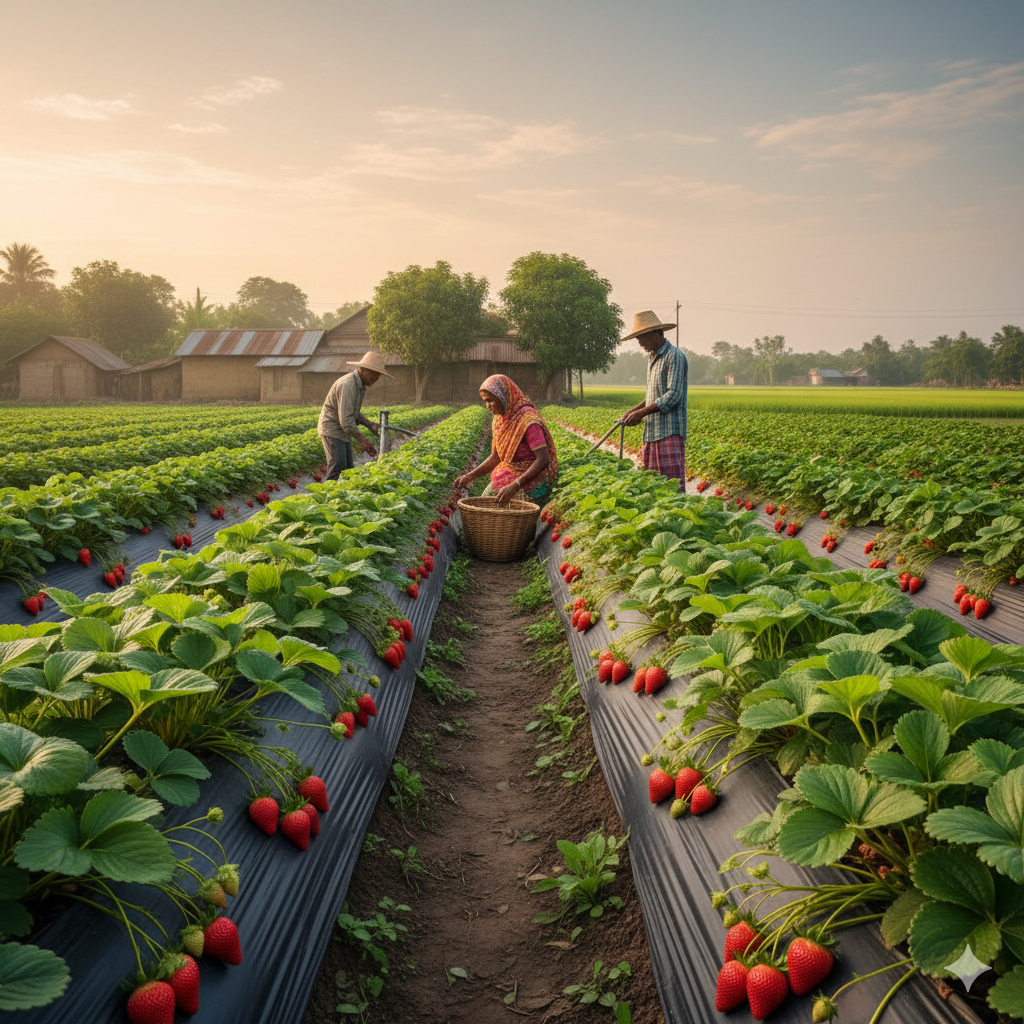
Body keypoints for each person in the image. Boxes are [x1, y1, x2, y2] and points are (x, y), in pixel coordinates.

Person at [454, 374, 558, 503]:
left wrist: (515, 486)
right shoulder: (499, 420)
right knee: (487, 501)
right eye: (485, 401)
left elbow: (543, 460)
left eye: (491, 400)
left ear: (504, 397)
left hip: (533, 479)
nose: (488, 405)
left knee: (508, 509)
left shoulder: (528, 420)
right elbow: (496, 457)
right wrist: (469, 476)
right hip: (510, 473)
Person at [620, 310, 688, 491]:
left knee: (671, 488)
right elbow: (653, 394)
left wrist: (642, 413)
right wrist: (633, 411)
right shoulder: (652, 358)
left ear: (657, 333)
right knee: (653, 488)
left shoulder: (674, 356)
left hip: (668, 432)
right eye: (637, 338)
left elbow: (673, 394)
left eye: (642, 336)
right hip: (651, 433)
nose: (639, 342)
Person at [317, 350, 391, 480]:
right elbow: (346, 421)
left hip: (342, 430)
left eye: (378, 376)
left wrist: (370, 425)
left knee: (348, 470)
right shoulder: (347, 385)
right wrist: (363, 441)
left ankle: (341, 497)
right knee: (337, 468)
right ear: (364, 370)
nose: (376, 380)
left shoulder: (361, 386)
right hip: (332, 429)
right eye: (374, 375)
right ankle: (326, 498)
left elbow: (353, 412)